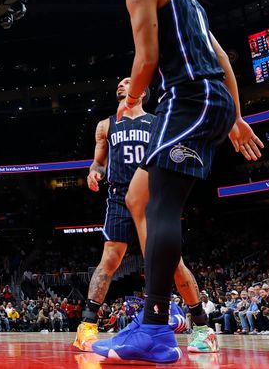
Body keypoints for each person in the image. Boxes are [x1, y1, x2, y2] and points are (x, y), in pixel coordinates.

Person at [92, 0, 263, 363]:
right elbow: (222, 56)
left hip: (189, 99)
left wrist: (130, 102)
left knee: (160, 207)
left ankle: (155, 329)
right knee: (137, 196)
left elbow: (146, 59)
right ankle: (155, 316)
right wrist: (235, 116)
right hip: (205, 99)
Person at [73, 78, 202, 351]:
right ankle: (87, 326)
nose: (122, 85)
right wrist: (94, 172)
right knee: (109, 258)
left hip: (150, 196)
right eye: (120, 83)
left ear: (142, 91)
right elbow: (99, 161)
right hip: (119, 196)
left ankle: (202, 326)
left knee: (172, 263)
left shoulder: (156, 122)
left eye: (129, 81)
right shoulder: (105, 125)